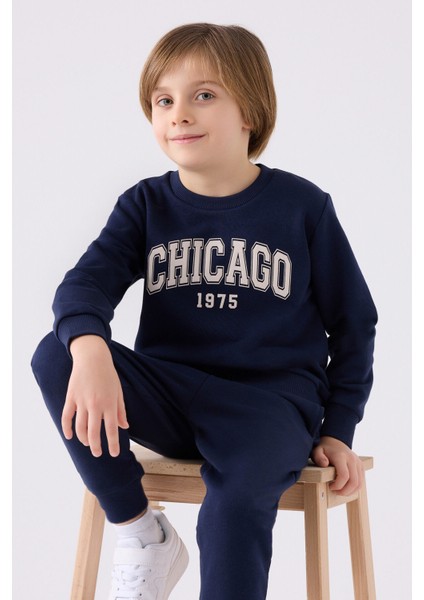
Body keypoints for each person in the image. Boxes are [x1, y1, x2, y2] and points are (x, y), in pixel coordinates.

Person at [31, 22, 378, 600]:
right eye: (163, 100)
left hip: (268, 410)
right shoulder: (145, 204)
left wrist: (338, 429)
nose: (179, 115)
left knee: (233, 509)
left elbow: (354, 324)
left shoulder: (302, 208)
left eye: (204, 95)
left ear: (250, 111)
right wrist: (89, 348)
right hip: (172, 398)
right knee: (57, 354)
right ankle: (143, 534)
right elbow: (83, 285)